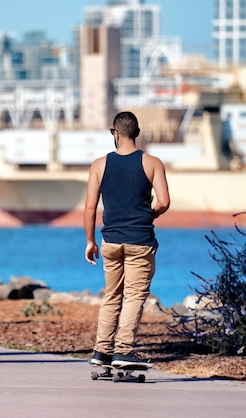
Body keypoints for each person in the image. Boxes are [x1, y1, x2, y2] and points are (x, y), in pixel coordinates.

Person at [84, 111, 170, 368]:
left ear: (115, 133)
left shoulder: (99, 165)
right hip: (140, 240)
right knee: (133, 296)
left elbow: (90, 208)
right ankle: (123, 351)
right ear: (137, 133)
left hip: (110, 241)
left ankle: (102, 351)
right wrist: (148, 215)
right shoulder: (152, 163)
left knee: (112, 295)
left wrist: (90, 241)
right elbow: (164, 202)